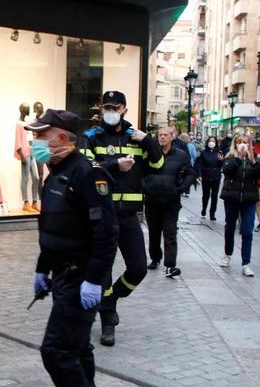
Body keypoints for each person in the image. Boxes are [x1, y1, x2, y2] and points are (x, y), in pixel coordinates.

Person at [29, 109, 117, 387]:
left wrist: (94, 280)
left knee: (57, 350)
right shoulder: (57, 173)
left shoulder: (86, 175)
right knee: (78, 347)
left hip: (81, 275)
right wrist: (42, 268)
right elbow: (51, 228)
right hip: (62, 272)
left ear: (63, 138)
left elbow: (106, 232)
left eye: (42, 134)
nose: (37, 141)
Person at [84, 91, 163, 346]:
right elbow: (86, 170)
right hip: (103, 216)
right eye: (105, 106)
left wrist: (149, 139)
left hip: (130, 216)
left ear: (124, 109)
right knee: (104, 271)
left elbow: (159, 165)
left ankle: (110, 301)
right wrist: (116, 164)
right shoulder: (92, 137)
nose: (109, 111)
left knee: (139, 267)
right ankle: (108, 322)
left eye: (113, 107)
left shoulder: (136, 137)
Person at [145, 127, 196, 277]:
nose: (162, 137)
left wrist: (181, 188)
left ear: (172, 137)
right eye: (160, 135)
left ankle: (170, 265)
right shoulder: (150, 155)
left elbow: (190, 173)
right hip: (152, 199)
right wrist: (145, 187)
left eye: (165, 135)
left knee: (170, 232)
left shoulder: (181, 155)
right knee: (154, 232)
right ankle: (155, 258)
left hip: (171, 200)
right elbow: (140, 171)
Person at [219, 134, 260, 277]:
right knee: (230, 227)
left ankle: (246, 263)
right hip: (232, 198)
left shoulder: (255, 159)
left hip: (248, 199)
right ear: (235, 144)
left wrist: (253, 161)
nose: (242, 145)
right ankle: (227, 254)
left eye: (245, 142)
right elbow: (226, 171)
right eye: (239, 142)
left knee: (247, 231)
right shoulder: (230, 158)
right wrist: (239, 158)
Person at [195, 135, 224, 220]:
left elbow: (221, 165)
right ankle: (204, 208)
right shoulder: (204, 153)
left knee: (214, 196)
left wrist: (221, 160)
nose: (212, 142)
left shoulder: (219, 152)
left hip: (216, 176)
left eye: (213, 141)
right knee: (206, 194)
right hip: (206, 175)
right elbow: (199, 164)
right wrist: (199, 175)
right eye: (210, 141)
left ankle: (212, 213)